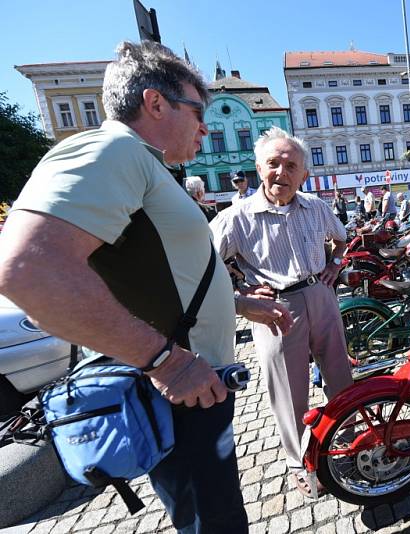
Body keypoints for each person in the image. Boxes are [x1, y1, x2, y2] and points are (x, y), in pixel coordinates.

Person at [0, 40, 293, 534]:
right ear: (155, 103)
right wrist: (167, 361)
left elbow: (151, 276)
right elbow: (27, 268)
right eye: (197, 110)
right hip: (179, 390)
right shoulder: (112, 148)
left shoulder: (144, 164)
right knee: (212, 521)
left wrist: (236, 302)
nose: (205, 126)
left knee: (214, 513)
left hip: (192, 386)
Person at [209, 127, 353, 497]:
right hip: (276, 308)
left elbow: (342, 239)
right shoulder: (236, 217)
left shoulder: (317, 206)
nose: (281, 173)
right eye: (273, 164)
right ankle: (300, 463)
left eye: (291, 166)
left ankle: (349, 439)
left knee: (339, 373)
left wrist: (335, 263)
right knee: (289, 392)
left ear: (304, 174)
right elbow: (202, 265)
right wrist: (240, 293)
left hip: (320, 295)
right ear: (259, 168)